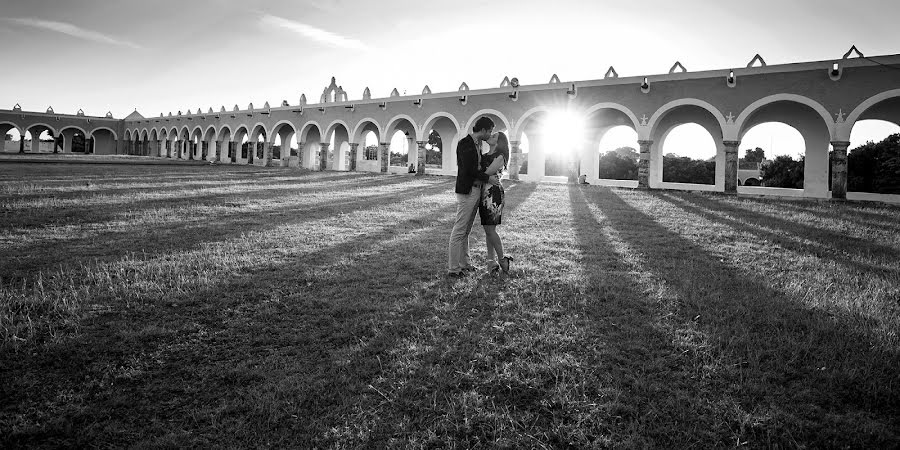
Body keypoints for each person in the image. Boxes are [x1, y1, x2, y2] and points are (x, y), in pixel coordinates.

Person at [447, 117, 499, 277]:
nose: (490, 134)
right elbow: (469, 170)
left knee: (466, 231)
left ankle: (466, 264)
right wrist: (488, 178)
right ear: (482, 130)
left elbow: (479, 166)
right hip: (467, 191)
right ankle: (453, 269)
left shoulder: (478, 144)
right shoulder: (465, 143)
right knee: (459, 230)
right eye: (489, 131)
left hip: (476, 190)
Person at [480, 132, 513, 274]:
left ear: (499, 143)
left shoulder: (500, 157)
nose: (490, 137)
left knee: (490, 230)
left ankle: (501, 259)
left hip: (493, 194)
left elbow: (486, 173)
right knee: (488, 229)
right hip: (484, 194)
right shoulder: (485, 155)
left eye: (494, 136)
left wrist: (480, 175)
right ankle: (491, 263)